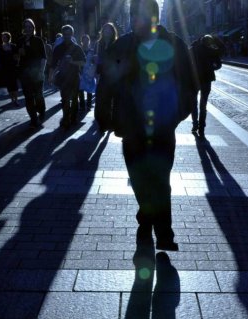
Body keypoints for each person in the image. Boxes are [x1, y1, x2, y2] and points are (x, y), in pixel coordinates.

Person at [95, 0, 196, 251]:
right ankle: (146, 219)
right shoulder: (123, 45)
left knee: (160, 178)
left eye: (140, 16)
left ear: (154, 17)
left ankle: (163, 234)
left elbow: (190, 83)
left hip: (163, 127)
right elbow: (106, 83)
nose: (135, 21)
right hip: (131, 128)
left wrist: (177, 116)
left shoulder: (175, 45)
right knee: (139, 178)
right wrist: (104, 117)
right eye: (133, 16)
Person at [50, 24, 85, 129]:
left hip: (74, 77)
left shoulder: (77, 47)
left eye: (69, 34)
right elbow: (53, 63)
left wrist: (72, 61)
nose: (67, 36)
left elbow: (83, 62)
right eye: (65, 34)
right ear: (62, 35)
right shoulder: (58, 48)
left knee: (74, 99)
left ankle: (73, 118)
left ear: (72, 34)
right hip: (64, 77)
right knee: (65, 99)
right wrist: (50, 76)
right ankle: (66, 118)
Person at [16, 18, 47, 128]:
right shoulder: (20, 41)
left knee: (38, 96)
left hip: (37, 72)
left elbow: (43, 57)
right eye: (26, 27)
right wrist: (19, 54)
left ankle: (42, 111)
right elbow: (16, 57)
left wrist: (41, 71)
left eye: (30, 27)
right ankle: (33, 119)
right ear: (24, 28)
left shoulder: (38, 40)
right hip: (25, 73)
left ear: (33, 28)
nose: (28, 28)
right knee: (28, 97)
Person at [189, 34, 222, 137]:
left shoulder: (193, 49)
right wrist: (212, 67)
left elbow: (186, 62)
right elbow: (219, 64)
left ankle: (195, 124)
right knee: (203, 104)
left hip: (194, 79)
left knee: (194, 103)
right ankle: (202, 127)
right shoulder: (211, 50)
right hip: (207, 79)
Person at [93, 22, 119, 132]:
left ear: (113, 32)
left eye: (109, 30)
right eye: (105, 30)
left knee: (110, 101)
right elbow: (97, 59)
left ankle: (108, 123)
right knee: (100, 99)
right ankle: (101, 121)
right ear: (102, 32)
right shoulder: (99, 44)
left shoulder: (117, 44)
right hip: (102, 75)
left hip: (113, 75)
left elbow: (119, 59)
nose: (107, 32)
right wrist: (95, 71)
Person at [0, 31, 19, 106]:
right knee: (9, 85)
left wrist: (17, 64)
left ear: (8, 38)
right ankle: (12, 100)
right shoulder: (0, 47)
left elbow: (17, 56)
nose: (3, 38)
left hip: (13, 67)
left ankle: (16, 100)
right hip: (5, 68)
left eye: (4, 37)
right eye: (2, 37)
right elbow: (0, 58)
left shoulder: (13, 46)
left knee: (14, 84)